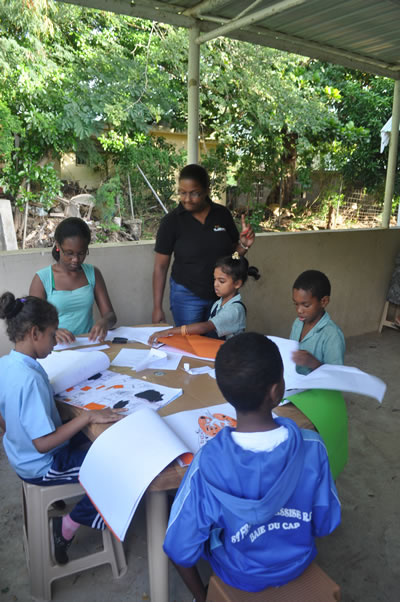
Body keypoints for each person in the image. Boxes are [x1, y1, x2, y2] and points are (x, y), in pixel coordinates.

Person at [163, 333, 341, 601]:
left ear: (224, 391)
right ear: (277, 390)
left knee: (181, 523)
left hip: (239, 574)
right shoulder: (313, 447)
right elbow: (325, 524)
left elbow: (179, 550)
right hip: (297, 563)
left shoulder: (207, 462)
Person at [0, 292, 123, 564]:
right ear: (35, 333)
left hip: (21, 455)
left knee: (101, 442)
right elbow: (42, 444)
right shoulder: (29, 380)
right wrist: (86, 418)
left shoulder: (6, 364)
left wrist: (16, 432)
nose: (55, 343)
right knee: (119, 472)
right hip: (44, 464)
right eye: (53, 335)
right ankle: (67, 526)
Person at [152, 164, 255, 326]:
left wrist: (243, 246)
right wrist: (157, 307)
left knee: (217, 345)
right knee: (190, 345)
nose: (187, 199)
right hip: (187, 295)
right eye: (182, 193)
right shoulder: (172, 221)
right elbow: (160, 267)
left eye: (194, 193)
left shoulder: (222, 215)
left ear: (207, 190)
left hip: (222, 296)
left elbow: (233, 258)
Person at [29, 217, 116, 344]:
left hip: (88, 344)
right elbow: (32, 322)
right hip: (54, 348)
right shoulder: (42, 279)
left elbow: (111, 315)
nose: (75, 259)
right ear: (58, 246)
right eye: (69, 253)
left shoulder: (92, 274)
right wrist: (52, 332)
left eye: (81, 253)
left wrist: (104, 322)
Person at [148, 253, 260, 344]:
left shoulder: (234, 310)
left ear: (237, 284)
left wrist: (169, 332)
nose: (216, 284)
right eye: (214, 279)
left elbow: (205, 327)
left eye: (221, 281)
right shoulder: (219, 303)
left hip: (230, 356)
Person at [290, 270, 345, 375]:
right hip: (295, 383)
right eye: (295, 304)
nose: (299, 310)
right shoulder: (297, 323)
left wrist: (313, 363)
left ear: (324, 301)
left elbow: (336, 376)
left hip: (317, 389)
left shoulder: (332, 335)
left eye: (305, 305)